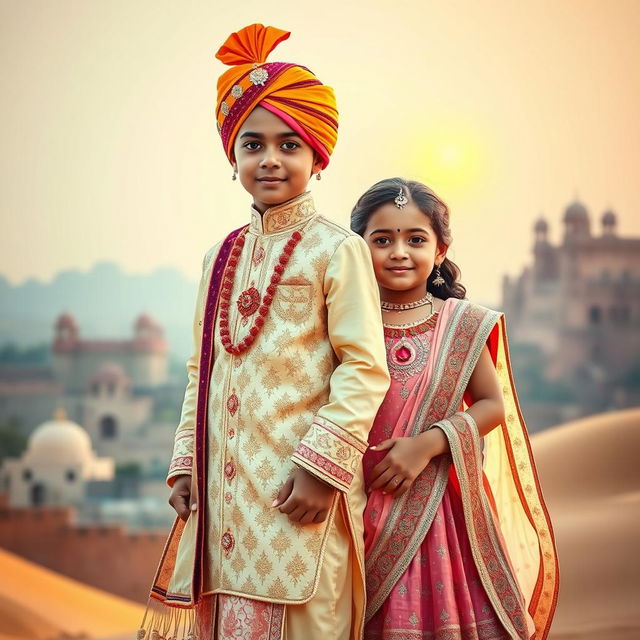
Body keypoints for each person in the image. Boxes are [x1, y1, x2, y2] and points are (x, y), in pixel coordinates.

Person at [138, 24, 390, 640]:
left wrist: (320, 469)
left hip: (297, 489)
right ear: (234, 158)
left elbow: (364, 368)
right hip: (225, 499)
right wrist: (185, 463)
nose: (270, 159)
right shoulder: (218, 256)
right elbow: (204, 370)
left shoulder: (339, 250)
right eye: (253, 145)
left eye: (289, 145)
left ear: (316, 158)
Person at [351, 178, 559, 640]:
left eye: (416, 239)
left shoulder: (461, 323)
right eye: (382, 240)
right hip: (359, 502)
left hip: (441, 508)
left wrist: (427, 445)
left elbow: (491, 405)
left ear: (440, 250)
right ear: (357, 250)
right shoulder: (346, 324)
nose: (399, 251)